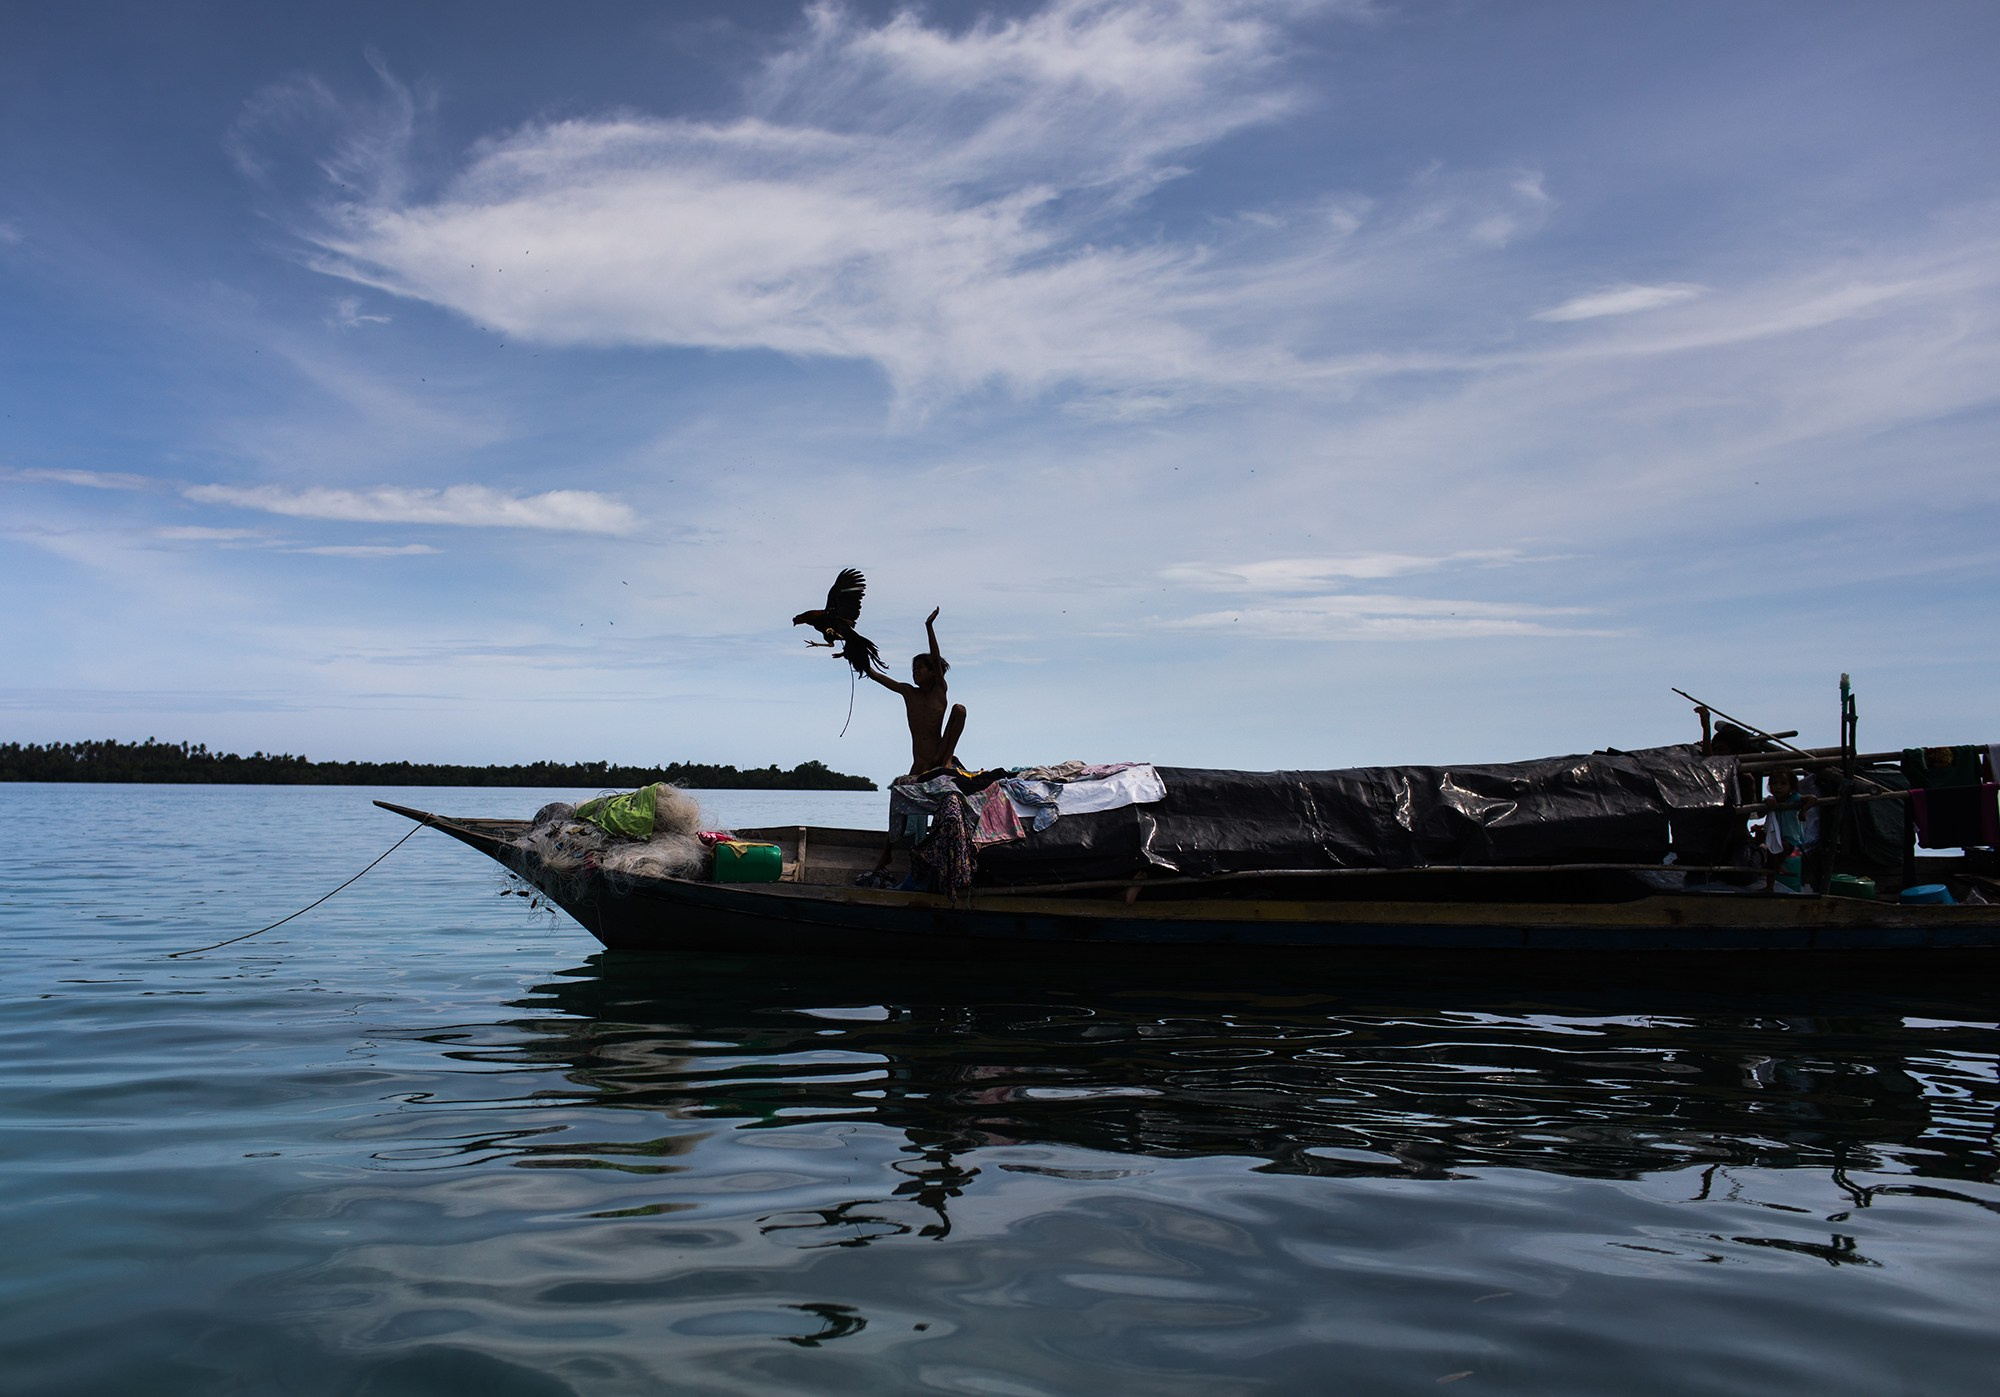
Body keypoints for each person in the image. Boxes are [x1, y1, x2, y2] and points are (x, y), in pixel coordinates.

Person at [867, 606, 967, 777]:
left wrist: (929, 627)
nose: (915, 672)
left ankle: (948, 758)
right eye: (913, 669)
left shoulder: (939, 690)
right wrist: (855, 655)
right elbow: (876, 675)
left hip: (939, 754)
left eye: (920, 668)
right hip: (920, 762)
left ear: (933, 672)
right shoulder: (909, 692)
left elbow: (936, 658)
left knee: (959, 709)